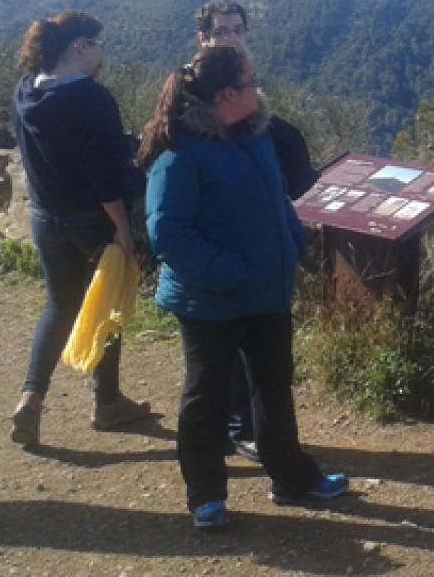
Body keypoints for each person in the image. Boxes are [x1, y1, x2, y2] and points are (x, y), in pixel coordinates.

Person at [139, 44, 347, 529]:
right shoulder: (180, 151)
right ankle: (205, 496)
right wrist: (227, 273)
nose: (260, 88)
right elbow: (168, 233)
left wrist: (292, 243)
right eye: (252, 81)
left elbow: (275, 200)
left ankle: (292, 478)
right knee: (206, 394)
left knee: (273, 388)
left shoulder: (255, 136)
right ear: (228, 93)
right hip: (211, 299)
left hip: (265, 291)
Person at [9, 12, 150, 448]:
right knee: (107, 302)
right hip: (92, 221)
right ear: (79, 47)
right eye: (98, 44)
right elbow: (104, 175)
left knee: (58, 306)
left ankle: (32, 397)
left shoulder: (24, 91)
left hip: (45, 217)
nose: (102, 52)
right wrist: (122, 228)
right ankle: (107, 402)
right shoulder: (91, 99)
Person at [192, 0, 319, 463]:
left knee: (256, 350)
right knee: (218, 352)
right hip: (218, 241)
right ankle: (234, 431)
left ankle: (249, 429)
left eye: (237, 29)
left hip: (259, 241)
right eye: (220, 31)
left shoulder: (249, 92)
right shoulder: (191, 100)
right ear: (202, 38)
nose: (229, 37)